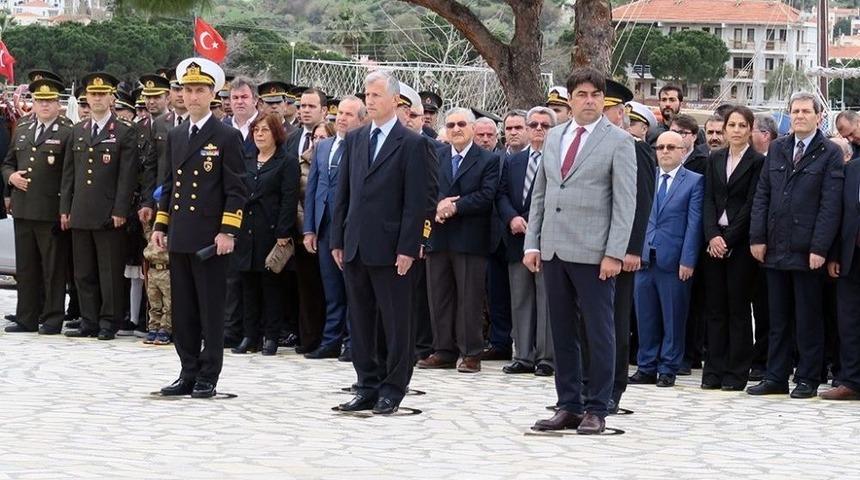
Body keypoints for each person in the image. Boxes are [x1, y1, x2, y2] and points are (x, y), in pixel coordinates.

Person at [526, 67, 636, 434]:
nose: (588, 101)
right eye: (581, 94)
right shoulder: (555, 136)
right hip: (554, 249)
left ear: (602, 100)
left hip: (594, 253)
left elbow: (625, 203)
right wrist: (533, 242)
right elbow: (541, 194)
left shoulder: (618, 141)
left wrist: (614, 253)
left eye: (595, 95)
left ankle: (597, 408)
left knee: (599, 331)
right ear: (570, 99)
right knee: (561, 331)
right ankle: (569, 404)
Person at [331, 71, 436, 415]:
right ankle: (367, 384)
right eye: (367, 95)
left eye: (377, 95)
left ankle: (393, 387)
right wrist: (338, 238)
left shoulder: (413, 144)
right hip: (357, 244)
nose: (370, 101)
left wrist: (409, 247)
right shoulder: (356, 138)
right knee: (361, 322)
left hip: (393, 249)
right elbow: (343, 193)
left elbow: (417, 201)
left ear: (395, 100)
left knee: (396, 323)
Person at [152, 57, 248, 398]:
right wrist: (161, 225)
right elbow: (168, 184)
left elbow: (237, 189)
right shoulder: (176, 134)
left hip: (210, 238)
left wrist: (228, 231)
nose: (192, 96)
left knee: (209, 310)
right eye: (187, 90)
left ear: (213, 94)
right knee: (184, 311)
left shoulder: (226, 135)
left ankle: (209, 374)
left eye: (200, 90)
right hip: (180, 234)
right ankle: (187, 370)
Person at [748, 92, 844, 399]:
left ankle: (807, 376)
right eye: (795, 111)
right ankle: (776, 376)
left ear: (818, 116)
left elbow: (831, 205)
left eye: (805, 111)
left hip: (807, 250)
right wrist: (757, 237)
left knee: (808, 318)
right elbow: (762, 194)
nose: (799, 116)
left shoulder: (828, 152)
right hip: (775, 246)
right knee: (777, 318)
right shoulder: (777, 148)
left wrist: (819, 247)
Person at [417, 107, 499, 373]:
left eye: (461, 124)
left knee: (469, 299)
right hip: (439, 237)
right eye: (450, 125)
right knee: (439, 296)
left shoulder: (487, 160)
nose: (455, 129)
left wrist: (455, 206)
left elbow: (487, 195)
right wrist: (438, 205)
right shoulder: (435, 155)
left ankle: (471, 352)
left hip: (469, 239)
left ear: (473, 128)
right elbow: (426, 188)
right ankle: (443, 350)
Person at [60, 72, 139, 341]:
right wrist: (65, 208)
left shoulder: (124, 132)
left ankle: (109, 321)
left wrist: (120, 210)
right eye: (92, 95)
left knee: (109, 272)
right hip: (80, 210)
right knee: (83, 271)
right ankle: (89, 320)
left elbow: (127, 177)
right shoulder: (78, 131)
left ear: (111, 98)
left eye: (102, 94)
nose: (96, 99)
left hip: (108, 214)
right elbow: (69, 174)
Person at [629, 131, 703, 388]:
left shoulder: (694, 181)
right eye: (660, 147)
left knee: (673, 316)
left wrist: (688, 259)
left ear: (683, 150)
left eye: (672, 147)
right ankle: (646, 366)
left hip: (674, 260)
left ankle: (669, 367)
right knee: (645, 315)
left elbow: (694, 224)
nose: (665, 152)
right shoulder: (646, 178)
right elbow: (635, 216)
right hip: (644, 258)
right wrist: (633, 251)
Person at [1, 75, 73, 334]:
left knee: (53, 269)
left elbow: (69, 175)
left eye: (49, 101)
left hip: (49, 210)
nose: (44, 105)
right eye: (39, 100)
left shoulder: (67, 130)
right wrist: (11, 177)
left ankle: (52, 318)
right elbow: (8, 162)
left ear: (57, 104)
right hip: (23, 208)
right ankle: (26, 317)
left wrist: (65, 209)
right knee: (26, 267)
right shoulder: (22, 128)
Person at [700, 106, 764, 391]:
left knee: (738, 309)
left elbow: (752, 204)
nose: (736, 130)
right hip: (714, 242)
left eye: (742, 125)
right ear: (724, 129)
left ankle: (736, 372)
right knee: (714, 309)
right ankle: (713, 370)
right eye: (731, 125)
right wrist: (713, 235)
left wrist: (729, 239)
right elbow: (708, 200)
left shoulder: (757, 162)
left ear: (750, 129)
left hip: (739, 243)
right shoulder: (714, 159)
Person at [603, 80, 656, 411]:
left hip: (621, 250)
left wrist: (633, 248)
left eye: (607, 111)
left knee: (615, 321)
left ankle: (612, 388)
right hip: (587, 248)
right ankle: (585, 385)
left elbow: (642, 200)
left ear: (621, 114)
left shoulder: (634, 148)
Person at [303, 96, 365, 361]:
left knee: (352, 288)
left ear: (362, 120)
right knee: (332, 289)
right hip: (325, 226)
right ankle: (331, 340)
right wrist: (309, 229)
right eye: (339, 113)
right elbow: (313, 188)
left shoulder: (362, 147)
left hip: (351, 228)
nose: (341, 118)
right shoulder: (324, 146)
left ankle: (353, 342)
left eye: (349, 114)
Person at [496, 106, 557, 376]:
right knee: (520, 297)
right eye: (533, 124)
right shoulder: (514, 160)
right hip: (517, 238)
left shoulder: (558, 160)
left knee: (546, 298)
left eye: (545, 125)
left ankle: (546, 358)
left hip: (546, 239)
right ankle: (523, 355)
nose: (539, 129)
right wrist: (512, 218)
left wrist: (535, 221)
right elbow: (502, 194)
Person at [233, 113, 299, 356]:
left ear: (276, 134)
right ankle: (250, 335)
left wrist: (283, 231)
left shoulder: (286, 161)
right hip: (246, 230)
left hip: (271, 231)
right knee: (248, 285)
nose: (259, 135)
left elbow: (288, 198)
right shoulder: (247, 158)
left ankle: (271, 336)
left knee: (271, 286)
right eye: (256, 130)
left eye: (265, 130)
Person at [287, 88, 329, 354]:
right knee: (302, 286)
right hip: (296, 225)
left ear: (324, 111)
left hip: (322, 226)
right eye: (301, 105)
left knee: (324, 286)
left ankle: (324, 336)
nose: (304, 110)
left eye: (311, 106)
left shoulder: (335, 141)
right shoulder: (292, 139)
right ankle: (304, 335)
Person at [823, 154, 860, 400]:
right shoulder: (852, 169)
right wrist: (834, 254)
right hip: (852, 256)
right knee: (849, 322)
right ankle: (852, 381)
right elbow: (838, 213)